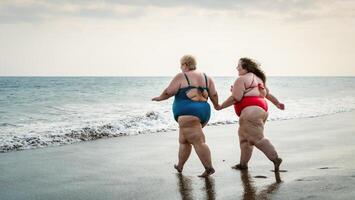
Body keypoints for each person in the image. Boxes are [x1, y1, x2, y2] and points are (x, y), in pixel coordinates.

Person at [152, 55, 220, 177]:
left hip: (188, 113)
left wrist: (160, 98)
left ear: (186, 65)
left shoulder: (181, 76)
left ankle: (209, 168)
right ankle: (180, 166)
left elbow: (169, 91)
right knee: (184, 141)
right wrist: (217, 105)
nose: (180, 67)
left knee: (198, 141)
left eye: (181, 65)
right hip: (203, 112)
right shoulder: (206, 77)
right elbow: (214, 94)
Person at [218, 57, 284, 171]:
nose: (237, 68)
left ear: (245, 67)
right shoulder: (258, 79)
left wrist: (220, 106)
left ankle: (275, 158)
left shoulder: (242, 79)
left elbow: (236, 98)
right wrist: (277, 103)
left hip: (251, 113)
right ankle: (243, 164)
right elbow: (267, 94)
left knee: (256, 138)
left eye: (239, 65)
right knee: (244, 139)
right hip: (261, 110)